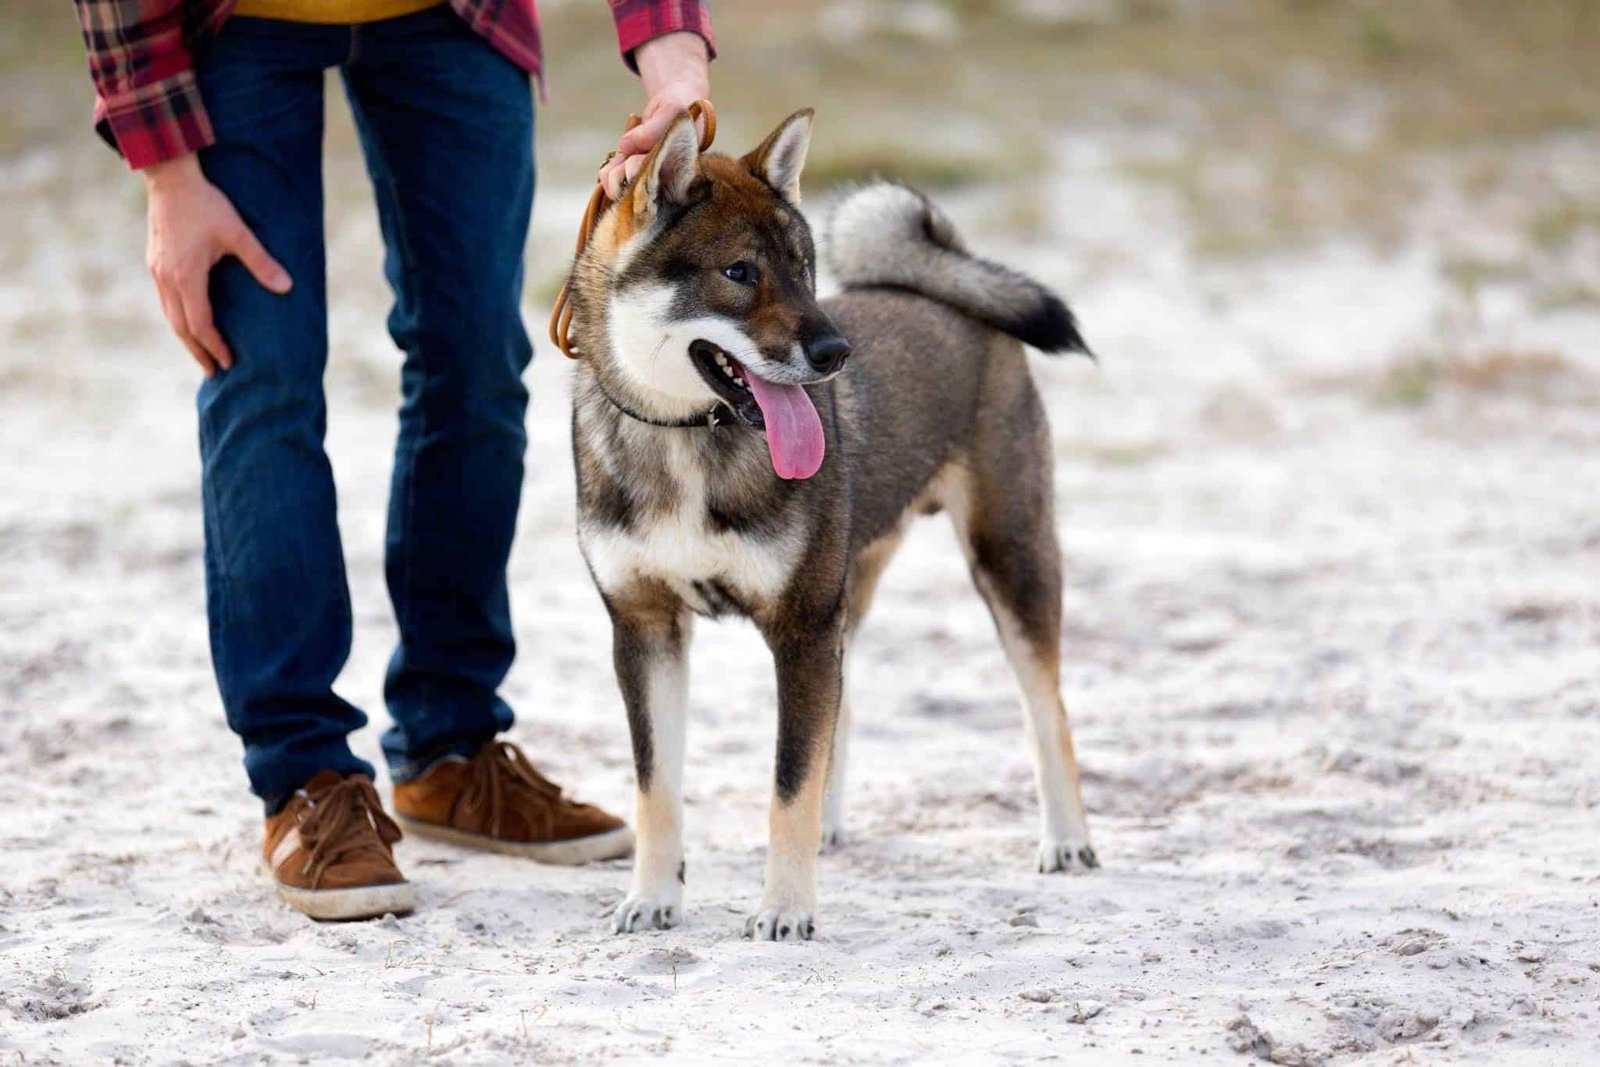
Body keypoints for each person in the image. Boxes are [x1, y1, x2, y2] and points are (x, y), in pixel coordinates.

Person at [73, 0, 714, 921]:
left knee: (481, 363)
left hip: (453, 18)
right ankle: (303, 779)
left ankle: (449, 749)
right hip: (235, 25)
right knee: (264, 376)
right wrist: (168, 175)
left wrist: (677, 66)